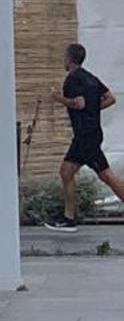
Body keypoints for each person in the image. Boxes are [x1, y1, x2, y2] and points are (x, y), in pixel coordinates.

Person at [48, 43, 124, 230]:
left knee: (106, 175)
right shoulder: (91, 78)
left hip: (85, 135)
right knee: (67, 172)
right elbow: (110, 98)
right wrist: (93, 109)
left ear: (69, 59)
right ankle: (69, 218)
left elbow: (78, 103)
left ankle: (69, 219)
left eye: (64, 57)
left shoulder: (72, 80)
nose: (63, 61)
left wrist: (58, 98)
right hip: (91, 133)